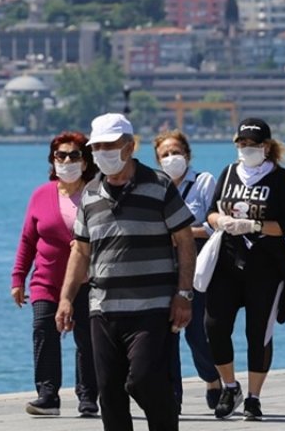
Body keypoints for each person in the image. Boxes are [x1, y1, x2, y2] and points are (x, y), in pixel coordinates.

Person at [55, 113, 196, 431]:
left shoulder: (159, 186)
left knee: (143, 380)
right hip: (103, 310)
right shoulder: (90, 193)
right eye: (97, 147)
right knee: (110, 396)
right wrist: (65, 299)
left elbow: (185, 241)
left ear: (130, 147)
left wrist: (184, 294)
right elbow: (80, 250)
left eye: (110, 145)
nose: (102, 152)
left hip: (151, 308)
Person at [203, 118, 285, 420]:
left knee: (258, 332)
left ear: (267, 147)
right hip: (227, 261)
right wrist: (219, 222)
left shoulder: (280, 179)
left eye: (254, 145)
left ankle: (253, 397)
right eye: (242, 144)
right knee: (214, 325)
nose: (247, 149)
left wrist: (254, 225)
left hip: (266, 265)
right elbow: (211, 211)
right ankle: (230, 385)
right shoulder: (228, 173)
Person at [11, 131, 100, 417]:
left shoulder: (97, 192)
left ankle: (88, 396)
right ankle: (47, 395)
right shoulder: (41, 195)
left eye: (74, 155)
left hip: (87, 281)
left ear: (85, 161)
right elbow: (27, 239)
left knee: (87, 339)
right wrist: (18, 278)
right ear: (52, 160)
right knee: (43, 331)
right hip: (46, 282)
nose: (67, 160)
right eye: (60, 155)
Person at [152, 130, 222, 410]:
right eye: (164, 155)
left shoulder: (203, 181)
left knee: (196, 332)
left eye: (175, 152)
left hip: (197, 268)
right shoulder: (156, 186)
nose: (171, 158)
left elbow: (214, 223)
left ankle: (213, 379)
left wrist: (183, 234)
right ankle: (172, 396)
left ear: (187, 154)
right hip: (163, 266)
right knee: (167, 334)